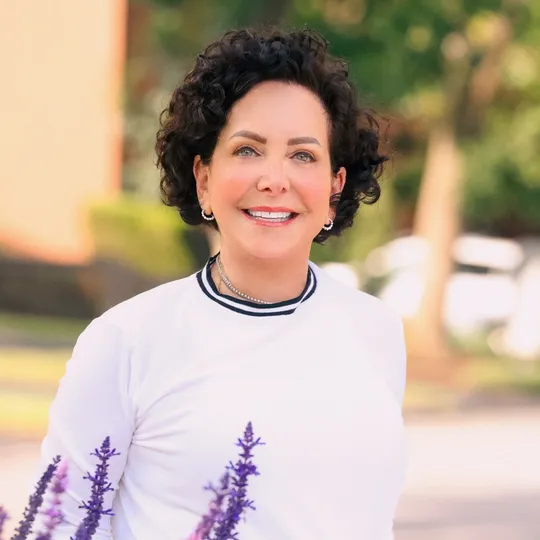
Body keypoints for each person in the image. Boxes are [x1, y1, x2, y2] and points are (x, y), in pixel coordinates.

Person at [38, 27, 407, 540]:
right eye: (248, 150)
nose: (274, 179)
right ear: (204, 179)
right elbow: (60, 524)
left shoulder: (376, 330)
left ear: (334, 187)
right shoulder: (126, 341)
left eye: (303, 155)